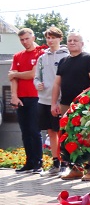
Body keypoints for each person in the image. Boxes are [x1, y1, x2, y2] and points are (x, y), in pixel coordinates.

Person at [53, 32, 90, 179]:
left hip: (84, 107)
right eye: (69, 40)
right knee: (69, 138)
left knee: (88, 138)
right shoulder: (63, 61)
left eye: (75, 40)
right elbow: (57, 83)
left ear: (82, 43)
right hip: (66, 105)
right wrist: (54, 103)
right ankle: (75, 169)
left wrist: (85, 102)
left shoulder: (89, 58)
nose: (72, 42)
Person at [33, 26, 69, 176]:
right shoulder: (42, 57)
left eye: (53, 37)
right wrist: (37, 84)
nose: (50, 40)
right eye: (48, 37)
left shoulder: (66, 56)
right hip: (44, 100)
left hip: (61, 100)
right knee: (50, 131)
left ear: (60, 38)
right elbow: (36, 77)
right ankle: (56, 163)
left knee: (63, 132)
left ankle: (66, 164)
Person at [9, 28, 44, 173]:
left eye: (26, 39)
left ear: (33, 37)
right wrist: (14, 96)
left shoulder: (41, 53)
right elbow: (12, 78)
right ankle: (29, 162)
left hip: (36, 97)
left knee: (34, 130)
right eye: (22, 40)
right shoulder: (17, 56)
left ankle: (38, 163)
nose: (24, 42)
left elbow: (33, 74)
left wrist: (17, 73)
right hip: (21, 98)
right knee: (25, 131)